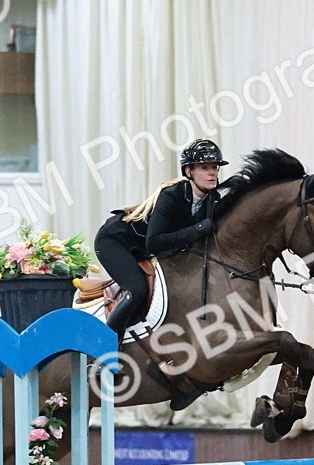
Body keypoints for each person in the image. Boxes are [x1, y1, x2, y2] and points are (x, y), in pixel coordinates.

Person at [94, 138, 228, 334]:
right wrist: (197, 229)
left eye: (215, 167)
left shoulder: (213, 200)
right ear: (189, 171)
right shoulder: (170, 196)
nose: (212, 173)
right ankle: (103, 346)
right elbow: (154, 243)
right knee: (137, 289)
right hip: (114, 241)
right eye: (205, 167)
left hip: (143, 249)